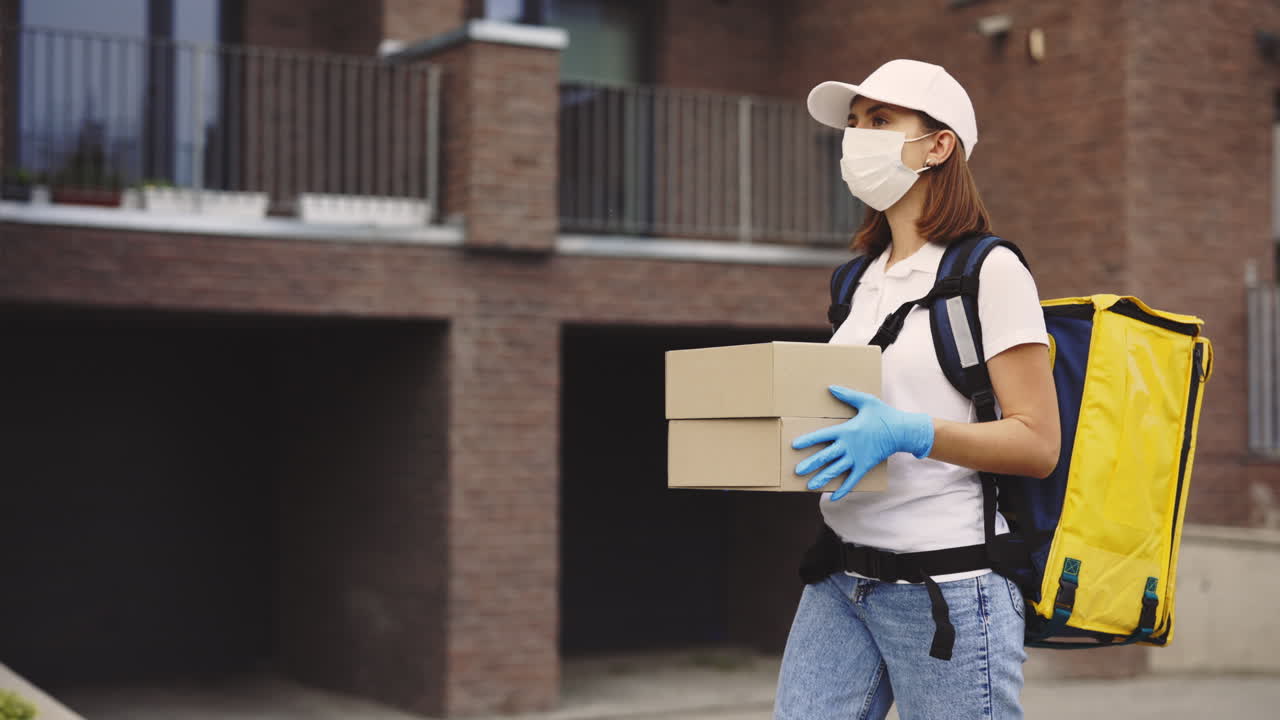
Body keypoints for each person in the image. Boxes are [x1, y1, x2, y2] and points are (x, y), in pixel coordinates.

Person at [772, 59, 1061, 720]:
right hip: (840, 579)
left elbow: (1037, 441)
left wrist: (910, 432)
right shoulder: (856, 281)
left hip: (948, 586)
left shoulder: (991, 271)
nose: (857, 138)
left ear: (939, 145)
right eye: (852, 124)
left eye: (879, 121)